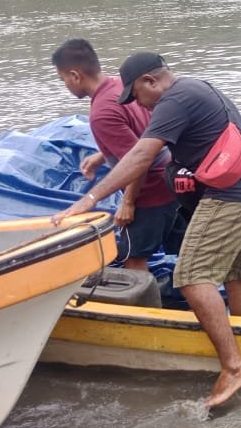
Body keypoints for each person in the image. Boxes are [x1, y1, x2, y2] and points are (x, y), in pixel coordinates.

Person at [52, 52, 241, 409]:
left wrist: (90, 198)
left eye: (136, 95)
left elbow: (143, 155)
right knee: (237, 278)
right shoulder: (196, 88)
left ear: (151, 82)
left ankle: (234, 366)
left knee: (191, 276)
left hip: (231, 197)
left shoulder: (175, 99)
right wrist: (101, 156)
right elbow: (160, 149)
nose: (137, 104)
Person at [51, 38, 183, 272]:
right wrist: (103, 155)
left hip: (150, 192)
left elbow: (138, 161)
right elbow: (142, 133)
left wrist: (128, 203)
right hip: (172, 180)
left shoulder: (101, 112)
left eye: (63, 80)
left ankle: (144, 309)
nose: (66, 86)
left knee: (134, 260)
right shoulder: (121, 85)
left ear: (75, 75)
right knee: (183, 250)